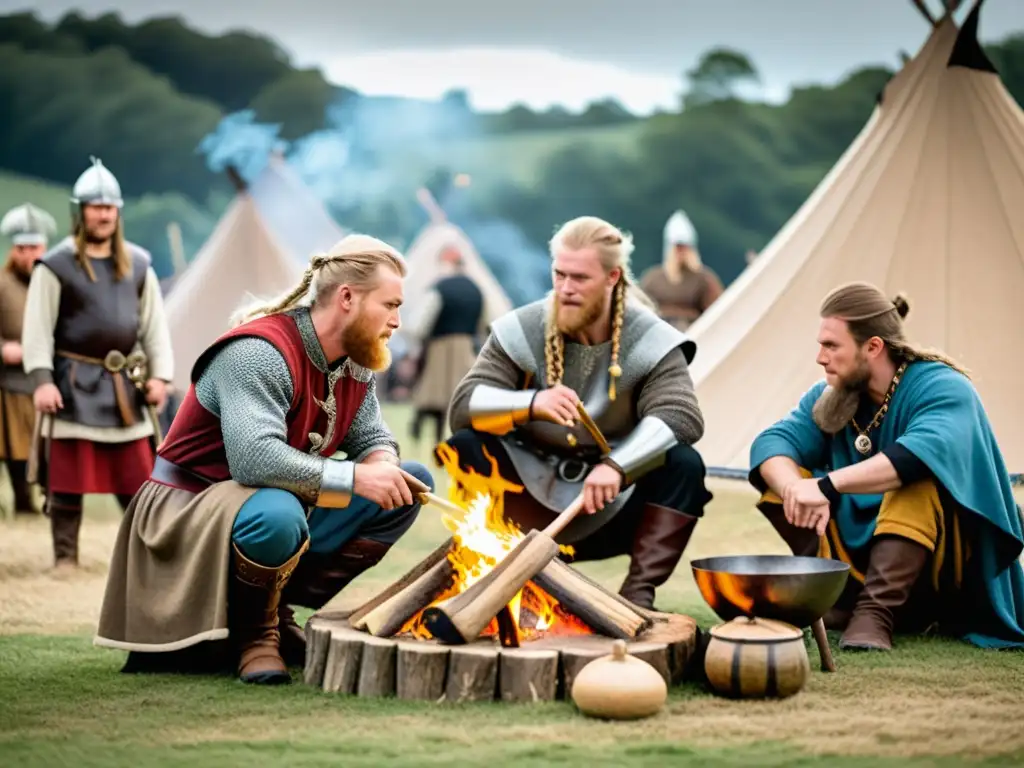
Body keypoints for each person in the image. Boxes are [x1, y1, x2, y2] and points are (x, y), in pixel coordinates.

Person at [95, 234, 435, 686]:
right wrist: (356, 478)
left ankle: (277, 614)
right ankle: (255, 637)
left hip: (268, 503)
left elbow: (372, 436)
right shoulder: (259, 352)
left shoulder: (355, 360)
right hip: (189, 509)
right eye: (390, 305)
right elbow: (254, 461)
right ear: (347, 298)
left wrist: (381, 464)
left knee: (407, 483)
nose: (397, 321)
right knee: (279, 511)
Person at [441, 215, 712, 610]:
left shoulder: (650, 336)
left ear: (612, 277)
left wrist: (619, 467)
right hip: (526, 501)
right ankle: (499, 569)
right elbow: (465, 406)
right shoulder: (524, 327)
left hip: (611, 502)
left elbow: (681, 415)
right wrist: (531, 404)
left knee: (684, 465)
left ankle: (638, 595)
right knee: (467, 445)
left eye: (580, 278)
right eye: (559, 274)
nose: (566, 288)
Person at [749, 281, 1024, 651]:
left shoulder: (943, 387)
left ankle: (876, 613)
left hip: (942, 567)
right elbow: (771, 444)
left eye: (831, 345)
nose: (819, 357)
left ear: (873, 346)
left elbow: (916, 455)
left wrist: (826, 486)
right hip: (860, 554)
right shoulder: (832, 397)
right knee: (784, 475)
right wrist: (794, 489)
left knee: (917, 482)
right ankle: (837, 600)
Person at [22, 157, 172, 568]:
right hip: (72, 385)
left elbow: (154, 325)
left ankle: (148, 558)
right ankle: (66, 560)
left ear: (117, 212)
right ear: (81, 211)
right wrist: (42, 380)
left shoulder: (139, 264)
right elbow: (36, 328)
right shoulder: (55, 265)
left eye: (109, 207)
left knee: (139, 481)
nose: (103, 214)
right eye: (95, 206)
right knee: (67, 480)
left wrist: (160, 376)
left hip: (124, 386)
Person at [0, 203, 57, 515]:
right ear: (14, 249)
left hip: (49, 381)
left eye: (34, 246)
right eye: (22, 248)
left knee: (51, 449)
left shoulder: (54, 283)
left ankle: (53, 503)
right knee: (17, 449)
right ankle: (23, 503)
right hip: (12, 382)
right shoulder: (1, 284)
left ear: (44, 246)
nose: (28, 254)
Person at [408, 245, 487, 445]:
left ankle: (422, 428)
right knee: (457, 394)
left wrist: (415, 340)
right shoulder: (476, 289)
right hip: (466, 347)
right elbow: (485, 322)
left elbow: (421, 322)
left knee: (434, 394)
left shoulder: (440, 288)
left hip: (440, 347)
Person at [639, 210, 723, 331]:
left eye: (684, 246)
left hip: (694, 332)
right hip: (659, 332)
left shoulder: (704, 279)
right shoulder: (653, 278)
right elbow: (642, 309)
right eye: (678, 247)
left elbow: (716, 310)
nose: (681, 251)